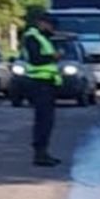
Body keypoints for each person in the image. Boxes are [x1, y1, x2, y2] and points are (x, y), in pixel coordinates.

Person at [21, 13, 63, 166]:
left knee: (47, 121)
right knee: (43, 120)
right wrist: (54, 57)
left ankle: (43, 153)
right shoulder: (32, 37)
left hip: (47, 84)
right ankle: (40, 154)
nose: (53, 28)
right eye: (51, 25)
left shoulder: (44, 38)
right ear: (41, 23)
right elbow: (36, 60)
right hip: (39, 84)